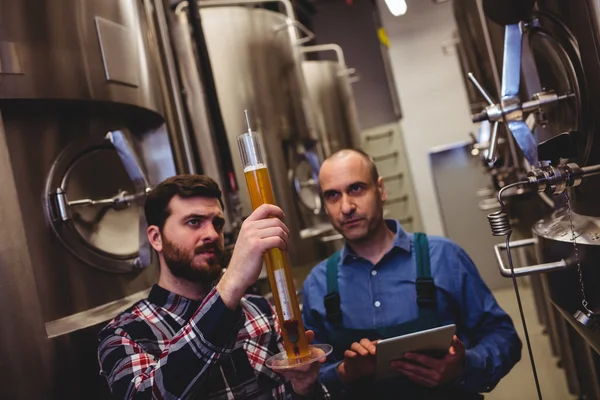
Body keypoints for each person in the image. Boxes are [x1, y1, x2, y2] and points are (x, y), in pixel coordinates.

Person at [301, 149, 522, 399]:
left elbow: (504, 337)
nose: (346, 207)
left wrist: (463, 366)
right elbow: (309, 381)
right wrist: (343, 372)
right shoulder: (317, 286)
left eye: (356, 189)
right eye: (333, 195)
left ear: (381, 190)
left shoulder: (444, 257)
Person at [98, 174, 329, 399]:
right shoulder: (126, 333)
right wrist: (231, 284)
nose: (211, 234)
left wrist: (304, 389)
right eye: (194, 222)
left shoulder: (261, 311)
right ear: (156, 237)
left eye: (217, 223)